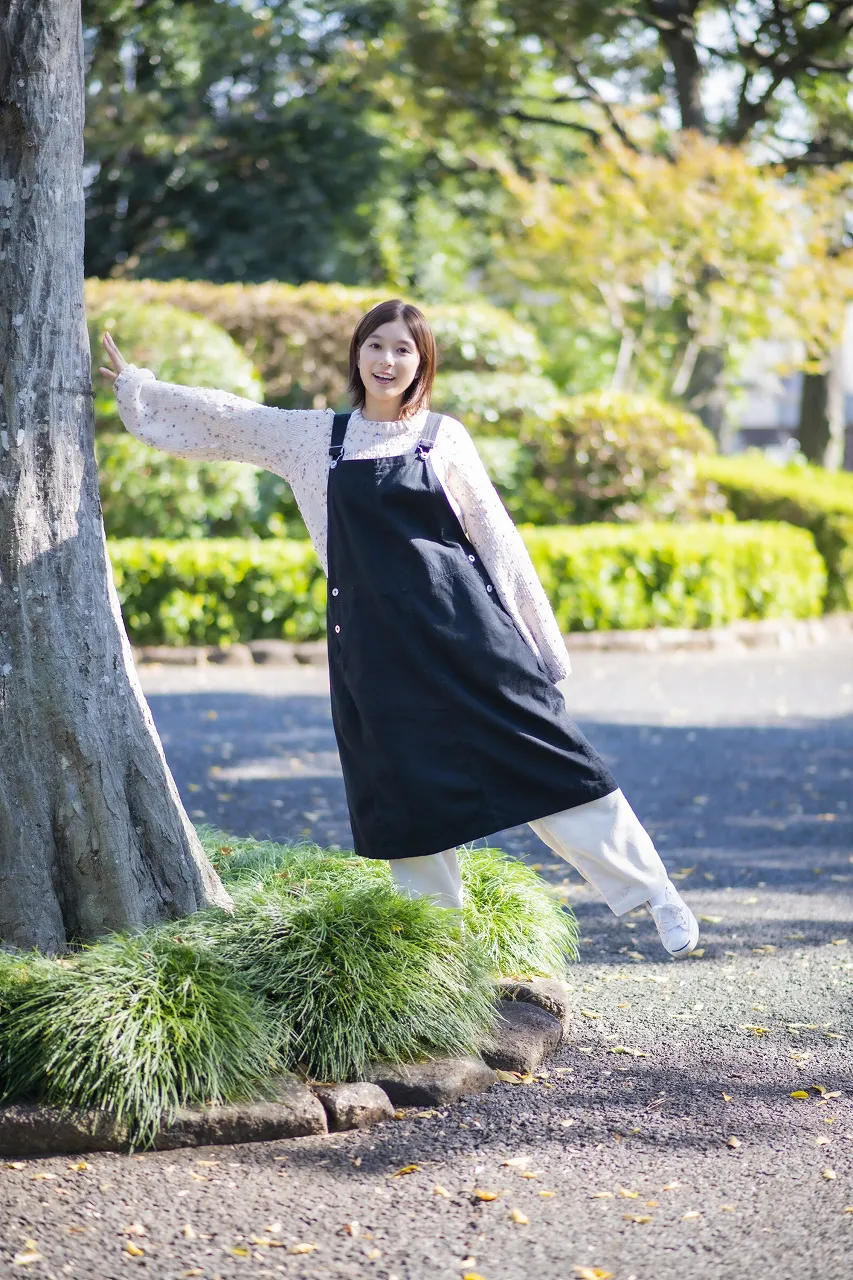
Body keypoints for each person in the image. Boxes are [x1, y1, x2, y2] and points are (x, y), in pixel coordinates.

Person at [99, 299, 699, 957]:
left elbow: (498, 541)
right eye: (376, 345)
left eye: (403, 349)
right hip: (372, 646)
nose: (388, 360)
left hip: (469, 636)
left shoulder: (443, 438)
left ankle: (654, 893)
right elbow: (232, 421)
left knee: (552, 764)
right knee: (405, 789)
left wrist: (544, 649)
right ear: (358, 354)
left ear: (422, 362)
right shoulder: (315, 439)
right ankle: (440, 951)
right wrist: (143, 390)